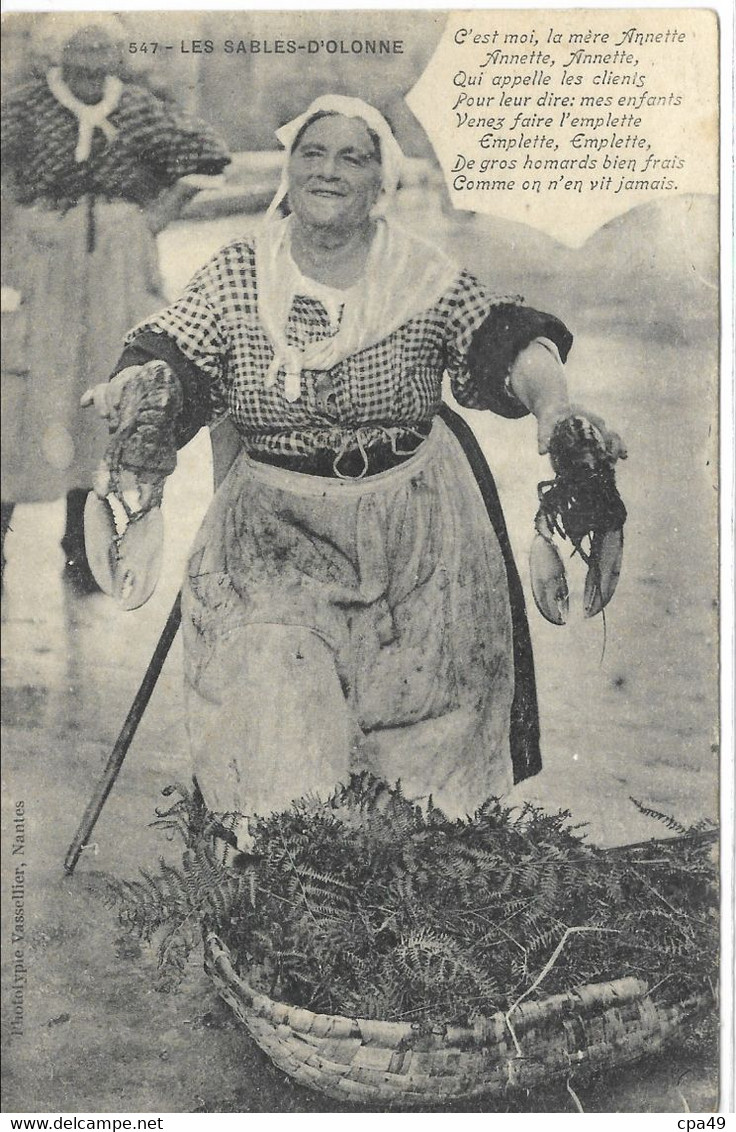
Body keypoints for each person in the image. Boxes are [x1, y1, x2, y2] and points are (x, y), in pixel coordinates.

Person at [82, 95, 625, 833]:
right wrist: (140, 388)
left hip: (418, 534)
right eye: (312, 153)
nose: (327, 170)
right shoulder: (241, 271)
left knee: (420, 751)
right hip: (271, 534)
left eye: (352, 157)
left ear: (381, 183)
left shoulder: (420, 274)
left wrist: (555, 406)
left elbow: (504, 340)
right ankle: (280, 897)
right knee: (274, 720)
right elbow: (172, 350)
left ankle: (396, 915)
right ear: (288, 172)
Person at [0, 16, 230, 590]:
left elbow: (210, 155)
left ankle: (82, 545)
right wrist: (11, 219)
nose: (92, 51)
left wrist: (155, 215)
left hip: (118, 264)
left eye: (102, 40)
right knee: (24, 397)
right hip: (42, 255)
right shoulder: (26, 105)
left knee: (102, 389)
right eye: (79, 39)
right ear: (58, 48)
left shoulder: (138, 107)